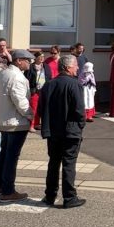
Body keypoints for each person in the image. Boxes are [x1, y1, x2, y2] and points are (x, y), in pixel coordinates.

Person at [38, 54, 88, 208]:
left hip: (53, 131)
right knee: (68, 163)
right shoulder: (74, 84)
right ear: (67, 67)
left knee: (53, 163)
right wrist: (81, 125)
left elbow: (40, 109)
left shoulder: (49, 84)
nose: (78, 68)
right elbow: (80, 110)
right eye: (75, 66)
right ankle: (69, 197)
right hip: (70, 131)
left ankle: (50, 196)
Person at [0, 49, 34, 203]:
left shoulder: (1, 74)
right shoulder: (16, 77)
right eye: (26, 60)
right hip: (15, 123)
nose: (29, 62)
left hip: (2, 120)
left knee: (4, 153)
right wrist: (32, 115)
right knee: (11, 157)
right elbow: (21, 102)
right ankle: (8, 190)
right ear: (18, 61)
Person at [25, 50, 52, 133]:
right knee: (33, 108)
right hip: (34, 90)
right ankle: (31, 125)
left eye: (43, 56)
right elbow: (27, 78)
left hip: (43, 90)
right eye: (40, 57)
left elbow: (49, 77)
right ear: (35, 58)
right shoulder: (31, 67)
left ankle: (37, 123)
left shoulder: (46, 66)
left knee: (41, 108)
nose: (41, 58)